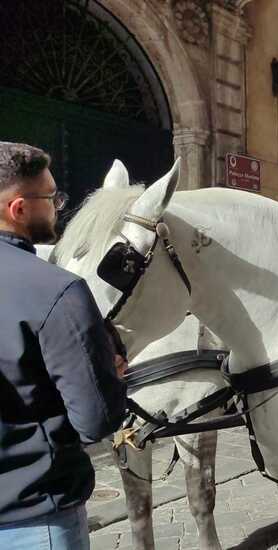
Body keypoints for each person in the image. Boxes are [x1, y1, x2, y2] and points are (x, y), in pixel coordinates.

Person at [0, 142, 127, 550]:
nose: (58, 205)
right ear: (18, 209)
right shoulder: (58, 291)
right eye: (52, 197)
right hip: (35, 515)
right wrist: (111, 375)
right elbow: (96, 420)